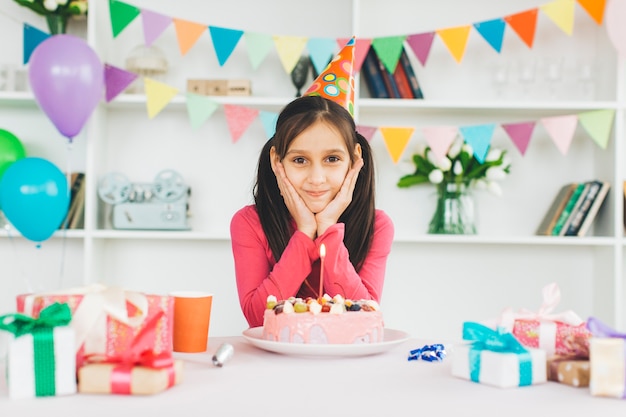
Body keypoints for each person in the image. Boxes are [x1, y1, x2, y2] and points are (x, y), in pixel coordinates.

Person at [230, 39, 394, 328]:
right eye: (299, 160)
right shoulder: (249, 223)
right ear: (276, 161)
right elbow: (258, 318)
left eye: (332, 159)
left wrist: (329, 230)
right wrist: (305, 234)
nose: (316, 179)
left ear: (355, 159)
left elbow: (367, 318)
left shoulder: (377, 225)